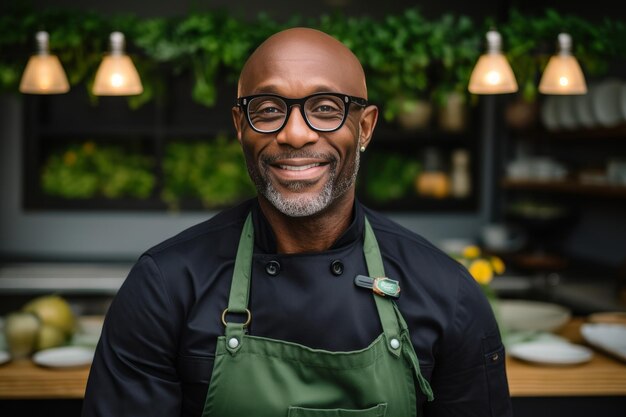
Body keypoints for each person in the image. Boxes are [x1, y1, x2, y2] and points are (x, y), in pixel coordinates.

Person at [82, 27, 512, 417]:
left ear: (365, 127)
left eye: (325, 108)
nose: (294, 133)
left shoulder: (449, 295)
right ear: (240, 127)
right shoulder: (165, 286)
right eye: (268, 110)